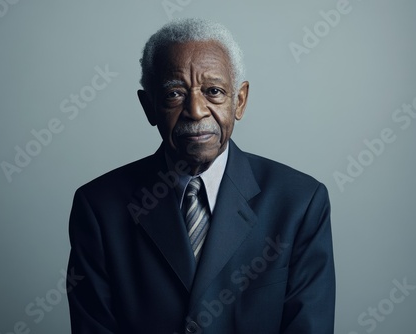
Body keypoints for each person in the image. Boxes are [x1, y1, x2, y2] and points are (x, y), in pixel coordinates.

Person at [67, 18, 335, 334]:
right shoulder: (99, 207)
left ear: (240, 100)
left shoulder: (300, 203)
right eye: (174, 94)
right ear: (148, 106)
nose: (196, 110)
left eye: (213, 91)